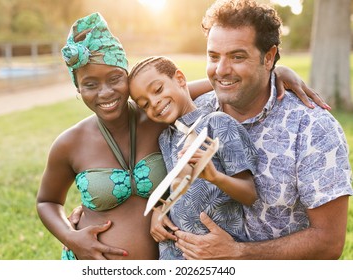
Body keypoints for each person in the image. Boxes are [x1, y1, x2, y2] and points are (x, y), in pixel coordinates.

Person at [37, 11, 328, 260]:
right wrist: (71, 236)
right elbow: (46, 201)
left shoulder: (155, 119)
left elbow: (209, 83)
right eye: (89, 84)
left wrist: (276, 71)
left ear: (125, 77)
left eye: (115, 79)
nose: (105, 92)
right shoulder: (70, 143)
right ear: (78, 88)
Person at [173, 0, 353, 260]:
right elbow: (141, 103)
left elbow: (328, 241)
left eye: (237, 56)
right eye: (214, 57)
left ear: (268, 57)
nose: (221, 69)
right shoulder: (195, 113)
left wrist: (238, 254)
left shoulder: (313, 129)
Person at [128, 55, 258, 259]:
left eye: (158, 90)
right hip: (174, 254)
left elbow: (250, 194)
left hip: (216, 253)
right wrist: (159, 211)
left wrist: (215, 177)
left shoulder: (218, 124)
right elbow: (176, 187)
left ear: (180, 79)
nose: (154, 103)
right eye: (144, 104)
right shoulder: (166, 138)